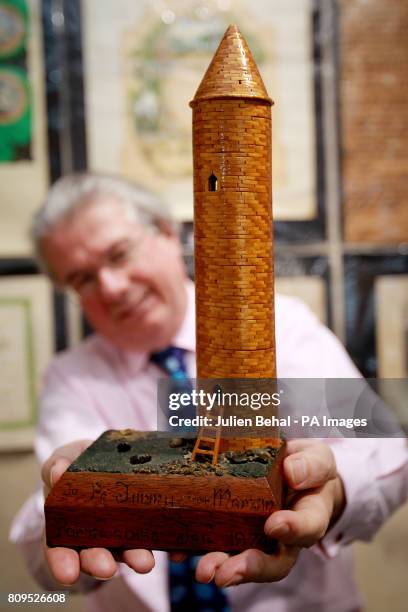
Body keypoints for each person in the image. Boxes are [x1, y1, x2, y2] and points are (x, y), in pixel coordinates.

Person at [10, 173, 408, 612]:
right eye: (83, 279)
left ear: (165, 232)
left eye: (119, 254)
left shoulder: (281, 328)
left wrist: (334, 492)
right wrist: (64, 510)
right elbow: (40, 546)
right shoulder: (71, 378)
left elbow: (386, 452)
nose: (112, 288)